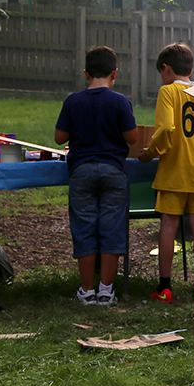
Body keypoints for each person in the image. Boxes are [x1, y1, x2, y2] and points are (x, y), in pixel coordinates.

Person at [54, 45, 138, 306]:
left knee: (85, 228)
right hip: (114, 171)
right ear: (115, 73)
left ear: (86, 73)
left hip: (81, 172)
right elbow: (133, 138)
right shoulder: (120, 101)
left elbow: (59, 138)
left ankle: (87, 290)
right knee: (112, 229)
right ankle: (106, 290)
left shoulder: (73, 101)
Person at [140, 41, 194, 302]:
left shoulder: (167, 92)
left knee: (169, 225)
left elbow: (167, 129)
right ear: (190, 68)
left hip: (173, 170)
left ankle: (165, 287)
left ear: (166, 69)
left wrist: (149, 153)